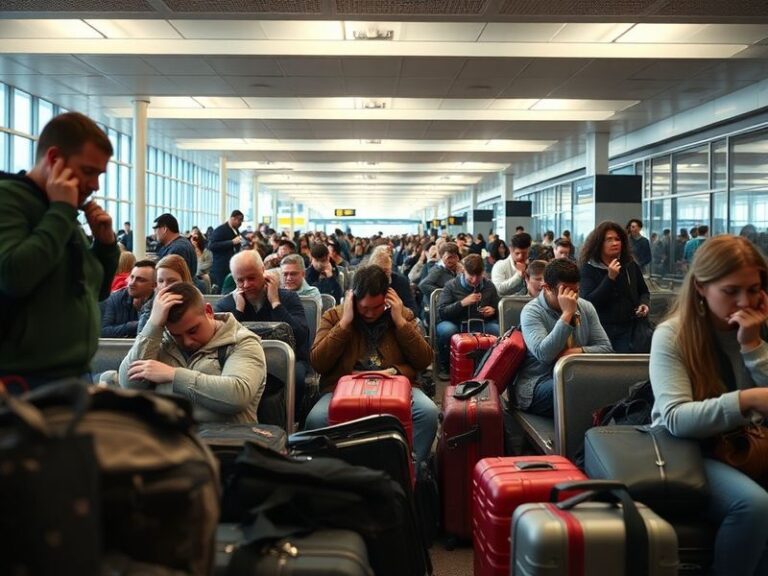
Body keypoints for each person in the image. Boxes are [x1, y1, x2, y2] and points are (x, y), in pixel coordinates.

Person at [649, 235, 768, 576]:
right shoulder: (673, 335)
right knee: (753, 505)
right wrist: (748, 400)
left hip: (749, 444)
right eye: (731, 291)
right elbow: (675, 418)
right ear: (701, 287)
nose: (745, 301)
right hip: (688, 450)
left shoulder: (758, 329)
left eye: (754, 289)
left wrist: (754, 347)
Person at [0, 111, 119, 388]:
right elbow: (13, 275)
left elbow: (94, 291)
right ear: (54, 159)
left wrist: (105, 247)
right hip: (24, 381)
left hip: (70, 376)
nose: (94, 185)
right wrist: (62, 211)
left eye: (99, 174)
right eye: (88, 171)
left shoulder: (58, 209)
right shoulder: (10, 199)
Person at [306, 265, 437, 468]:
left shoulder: (402, 315)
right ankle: (333, 474)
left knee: (427, 413)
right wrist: (345, 324)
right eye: (364, 308)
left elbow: (423, 360)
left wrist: (401, 323)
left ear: (387, 298)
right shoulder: (335, 316)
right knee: (316, 419)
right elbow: (318, 362)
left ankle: (411, 470)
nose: (370, 314)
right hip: (343, 388)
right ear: (353, 298)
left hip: (395, 385)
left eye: (377, 307)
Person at [119, 282, 266, 424]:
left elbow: (237, 395)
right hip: (168, 440)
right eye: (177, 335)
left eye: (193, 330)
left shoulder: (242, 342)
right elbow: (129, 384)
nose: (187, 341)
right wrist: (153, 325)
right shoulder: (161, 340)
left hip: (223, 444)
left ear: (209, 312)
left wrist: (173, 375)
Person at [513, 259, 613, 416]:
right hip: (539, 382)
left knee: (610, 386)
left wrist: (573, 353)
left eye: (576, 291)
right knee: (575, 389)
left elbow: (606, 349)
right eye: (565, 291)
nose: (572, 297)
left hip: (578, 376)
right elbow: (544, 354)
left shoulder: (585, 307)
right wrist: (567, 314)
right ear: (546, 288)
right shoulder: (531, 312)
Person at [215, 250, 310, 408]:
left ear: (263, 272)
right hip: (242, 362)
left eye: (251, 278)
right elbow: (219, 342)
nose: (246, 285)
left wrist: (275, 304)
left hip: (288, 362)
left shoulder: (287, 297)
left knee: (297, 379)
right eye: (240, 280)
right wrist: (238, 311)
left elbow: (301, 336)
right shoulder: (227, 305)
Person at [579, 221, 650, 353]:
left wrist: (644, 304)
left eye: (617, 239)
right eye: (609, 240)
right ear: (599, 244)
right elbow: (589, 303)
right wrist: (610, 278)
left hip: (629, 330)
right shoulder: (588, 269)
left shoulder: (630, 265)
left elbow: (643, 291)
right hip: (602, 331)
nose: (615, 243)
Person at [435, 254, 500, 377]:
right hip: (455, 323)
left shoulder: (489, 286)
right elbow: (442, 312)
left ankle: (487, 367)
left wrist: (493, 310)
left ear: (483, 272)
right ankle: (446, 365)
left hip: (481, 323)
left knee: (497, 330)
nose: (475, 280)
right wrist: (462, 303)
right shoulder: (451, 285)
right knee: (448, 330)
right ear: (464, 271)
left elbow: (498, 308)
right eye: (471, 276)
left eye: (479, 276)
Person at [137, 254, 194, 333]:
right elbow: (142, 344)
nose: (165, 286)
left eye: (172, 281)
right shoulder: (148, 312)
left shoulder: (196, 307)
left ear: (184, 281)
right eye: (160, 281)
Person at [101, 260, 156, 337]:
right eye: (132, 277)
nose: (131, 283)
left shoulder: (159, 302)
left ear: (154, 285)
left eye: (140, 280)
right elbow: (104, 332)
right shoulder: (115, 298)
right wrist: (133, 325)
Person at [368, 245, 419, 319]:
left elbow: (413, 311)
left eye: (386, 271)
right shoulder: (364, 281)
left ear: (390, 268)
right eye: (378, 271)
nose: (382, 275)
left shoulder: (400, 281)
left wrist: (401, 308)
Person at [153, 213, 197, 282]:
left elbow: (170, 278)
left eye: (156, 229)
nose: (155, 233)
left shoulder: (177, 250)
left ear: (164, 229)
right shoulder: (182, 243)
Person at [208, 210, 244, 289]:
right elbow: (212, 246)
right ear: (232, 218)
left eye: (241, 221)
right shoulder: (220, 230)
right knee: (221, 289)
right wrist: (231, 242)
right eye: (239, 220)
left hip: (231, 266)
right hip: (221, 267)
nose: (240, 223)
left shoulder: (236, 230)